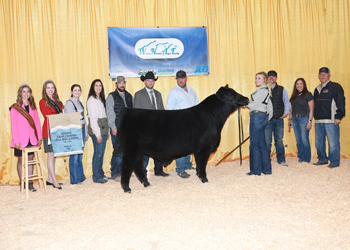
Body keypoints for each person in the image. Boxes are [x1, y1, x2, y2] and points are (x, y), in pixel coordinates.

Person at [134, 71, 169, 177]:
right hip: (145, 127)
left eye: (152, 80)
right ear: (144, 81)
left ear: (154, 82)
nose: (150, 82)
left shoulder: (158, 94)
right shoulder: (138, 94)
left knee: (158, 148)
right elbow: (136, 113)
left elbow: (162, 110)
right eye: (148, 80)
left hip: (158, 127)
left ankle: (158, 170)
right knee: (144, 151)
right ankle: (142, 172)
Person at [166, 70, 199, 178]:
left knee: (189, 145)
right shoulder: (173, 92)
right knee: (180, 146)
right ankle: (180, 169)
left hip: (192, 124)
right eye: (178, 79)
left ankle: (187, 164)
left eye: (182, 78)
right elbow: (169, 110)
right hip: (179, 124)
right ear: (176, 80)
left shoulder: (192, 90)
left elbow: (197, 106)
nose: (180, 80)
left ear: (186, 78)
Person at [10, 83, 42, 192]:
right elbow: (13, 125)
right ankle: (22, 182)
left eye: (28, 91)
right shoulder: (15, 108)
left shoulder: (33, 106)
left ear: (30, 93)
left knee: (30, 159)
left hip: (32, 138)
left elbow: (37, 123)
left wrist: (39, 138)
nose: (26, 93)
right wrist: (16, 140)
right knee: (20, 160)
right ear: (20, 93)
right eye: (24, 91)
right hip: (20, 139)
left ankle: (30, 182)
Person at [313, 67, 345, 168]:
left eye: (325, 74)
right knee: (319, 142)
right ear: (318, 76)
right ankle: (322, 159)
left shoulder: (335, 87)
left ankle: (334, 162)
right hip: (318, 120)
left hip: (330, 120)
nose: (323, 75)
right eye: (321, 74)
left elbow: (341, 102)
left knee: (333, 142)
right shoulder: (317, 89)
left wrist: (338, 116)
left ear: (329, 75)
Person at [106, 76, 133, 181]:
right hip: (118, 129)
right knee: (118, 152)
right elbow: (110, 113)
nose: (122, 85)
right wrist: (113, 127)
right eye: (119, 83)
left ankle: (124, 172)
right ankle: (115, 173)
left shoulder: (130, 96)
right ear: (116, 84)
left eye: (123, 83)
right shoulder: (111, 96)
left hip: (128, 130)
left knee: (127, 152)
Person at [246, 72, 273, 175]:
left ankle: (256, 171)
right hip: (261, 117)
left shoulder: (262, 91)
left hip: (256, 117)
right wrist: (267, 118)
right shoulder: (266, 90)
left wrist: (243, 102)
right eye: (256, 78)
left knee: (255, 144)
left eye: (259, 78)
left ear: (264, 80)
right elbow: (270, 107)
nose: (257, 80)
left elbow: (253, 105)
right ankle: (266, 169)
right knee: (262, 144)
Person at [39, 79, 63, 190]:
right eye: (48, 87)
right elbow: (48, 115)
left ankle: (49, 179)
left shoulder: (58, 102)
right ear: (45, 89)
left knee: (53, 155)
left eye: (52, 87)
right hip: (48, 131)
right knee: (51, 155)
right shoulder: (43, 101)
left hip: (57, 130)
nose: (50, 89)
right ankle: (54, 181)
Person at [265, 70, 291, 166]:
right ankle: (266, 160)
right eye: (269, 76)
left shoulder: (282, 89)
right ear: (267, 78)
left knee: (279, 141)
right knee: (267, 141)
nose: (271, 78)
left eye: (273, 76)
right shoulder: (264, 89)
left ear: (276, 78)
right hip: (268, 120)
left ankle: (281, 160)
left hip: (279, 119)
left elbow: (286, 102)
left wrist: (286, 112)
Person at [87, 79, 110, 183]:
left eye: (100, 86)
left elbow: (105, 116)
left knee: (101, 152)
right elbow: (92, 118)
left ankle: (100, 174)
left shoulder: (101, 99)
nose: (98, 87)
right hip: (97, 129)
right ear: (93, 87)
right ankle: (96, 177)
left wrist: (107, 131)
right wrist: (98, 134)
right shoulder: (91, 100)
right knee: (98, 153)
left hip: (104, 128)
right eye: (96, 85)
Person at [64, 84, 88, 184]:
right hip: (75, 131)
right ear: (71, 92)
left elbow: (84, 119)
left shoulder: (80, 103)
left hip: (82, 130)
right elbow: (71, 120)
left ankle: (80, 177)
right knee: (74, 155)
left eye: (79, 90)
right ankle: (74, 179)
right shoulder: (69, 103)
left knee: (79, 155)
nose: (77, 92)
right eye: (75, 90)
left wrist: (86, 132)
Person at [288, 78, 314, 163]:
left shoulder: (308, 94)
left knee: (304, 139)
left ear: (304, 85)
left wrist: (309, 121)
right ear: (295, 86)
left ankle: (307, 158)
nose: (299, 85)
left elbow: (311, 108)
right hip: (295, 119)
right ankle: (301, 156)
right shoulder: (293, 96)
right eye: (297, 84)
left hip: (304, 118)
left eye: (301, 84)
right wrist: (290, 119)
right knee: (298, 139)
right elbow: (291, 109)